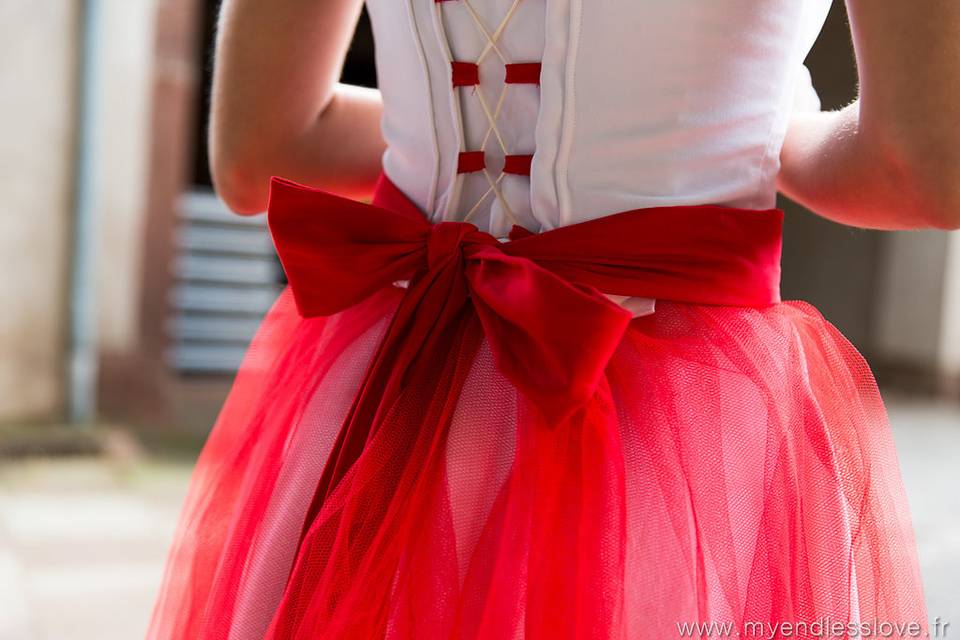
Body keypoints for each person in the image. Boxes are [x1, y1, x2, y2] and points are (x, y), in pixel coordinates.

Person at [147, 0, 959, 638]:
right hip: (672, 414)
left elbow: (261, 150)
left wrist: (423, 148)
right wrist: (766, 135)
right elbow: (921, 166)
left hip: (395, 380)